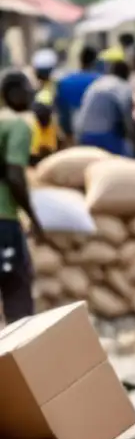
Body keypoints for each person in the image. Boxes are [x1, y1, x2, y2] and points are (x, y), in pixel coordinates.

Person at [0, 71, 45, 323]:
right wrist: (34, 220)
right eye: (26, 89)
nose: (31, 94)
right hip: (4, 221)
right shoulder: (17, 125)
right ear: (12, 93)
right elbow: (15, 177)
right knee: (16, 291)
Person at [75, 55, 135, 156]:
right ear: (126, 75)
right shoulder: (123, 86)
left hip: (83, 134)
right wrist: (133, 136)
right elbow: (127, 116)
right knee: (128, 154)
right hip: (104, 136)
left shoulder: (98, 83)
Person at [55, 45, 101, 136]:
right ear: (95, 61)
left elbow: (60, 111)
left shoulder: (65, 82)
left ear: (80, 60)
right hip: (96, 134)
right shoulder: (101, 81)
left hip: (71, 134)